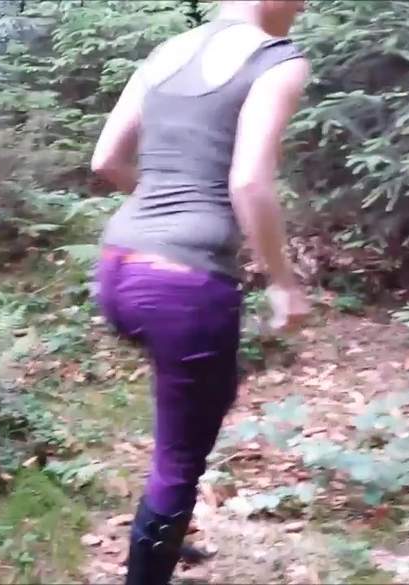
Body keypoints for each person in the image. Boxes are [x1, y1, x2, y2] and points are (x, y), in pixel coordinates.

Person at [90, 1, 311, 583]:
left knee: (188, 414)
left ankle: (162, 527)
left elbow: (106, 160)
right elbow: (249, 182)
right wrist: (284, 284)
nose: (305, 5)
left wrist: (161, 209)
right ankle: (152, 556)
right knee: (182, 454)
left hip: (117, 267)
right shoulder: (277, 61)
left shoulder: (166, 52)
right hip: (183, 286)